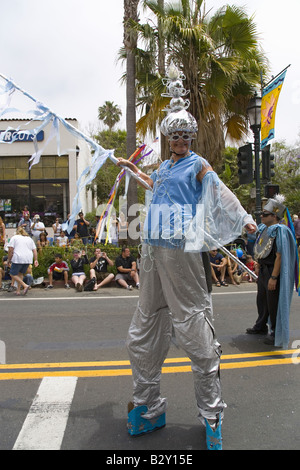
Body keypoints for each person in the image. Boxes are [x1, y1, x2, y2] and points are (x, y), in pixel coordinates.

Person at [116, 64, 256, 450]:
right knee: (142, 331)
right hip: (153, 251)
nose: (178, 140)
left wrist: (243, 217)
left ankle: (211, 414)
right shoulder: (162, 168)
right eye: (173, 135)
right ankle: (147, 406)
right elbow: (154, 185)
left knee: (195, 328)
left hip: (181, 250)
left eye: (184, 135)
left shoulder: (197, 165)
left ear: (191, 137)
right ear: (167, 138)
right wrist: (132, 170)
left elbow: (219, 189)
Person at [246, 195, 298, 346]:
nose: (261, 216)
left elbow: (279, 256)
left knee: (273, 302)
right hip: (263, 269)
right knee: (262, 300)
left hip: (272, 271)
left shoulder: (280, 230)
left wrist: (274, 277)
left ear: (274, 216)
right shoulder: (265, 229)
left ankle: (275, 331)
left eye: (265, 214)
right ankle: (261, 325)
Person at [6, 226, 39, 295]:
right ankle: (18, 291)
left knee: (12, 274)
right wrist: (36, 260)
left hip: (18, 258)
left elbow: (10, 250)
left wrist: (9, 259)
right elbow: (35, 250)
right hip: (28, 259)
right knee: (20, 273)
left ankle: (25, 285)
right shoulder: (29, 239)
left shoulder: (14, 237)